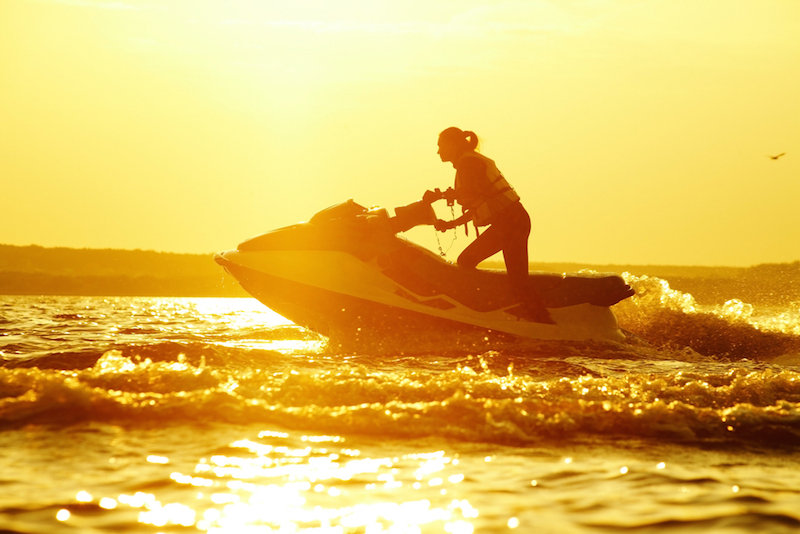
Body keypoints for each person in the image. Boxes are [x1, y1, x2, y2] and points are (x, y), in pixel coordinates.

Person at [424, 127, 554, 324]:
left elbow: (471, 190)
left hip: (511, 223)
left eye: (441, 146)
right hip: (512, 221)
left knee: (472, 262)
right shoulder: (467, 162)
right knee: (478, 264)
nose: (438, 151)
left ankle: (537, 318)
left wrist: (441, 195)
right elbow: (479, 202)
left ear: (452, 145)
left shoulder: (468, 162)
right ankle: (530, 313)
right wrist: (451, 224)